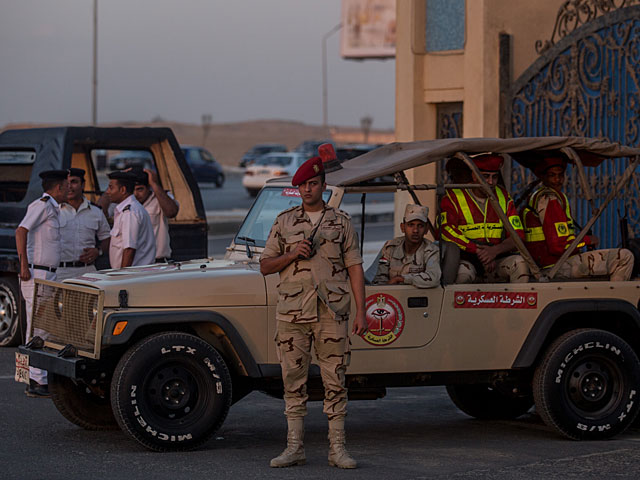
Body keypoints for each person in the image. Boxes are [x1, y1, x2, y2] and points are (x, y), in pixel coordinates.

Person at [260, 155, 367, 469]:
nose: (308, 189)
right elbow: (265, 266)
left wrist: (362, 312)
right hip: (292, 314)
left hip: (331, 314)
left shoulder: (341, 222)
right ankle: (294, 448)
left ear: (322, 186)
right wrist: (293, 254)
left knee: (336, 381)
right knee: (293, 382)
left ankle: (338, 450)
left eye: (313, 183)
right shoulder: (284, 221)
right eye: (303, 185)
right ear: (298, 189)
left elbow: (355, 268)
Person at [522, 155, 633, 280]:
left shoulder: (541, 196)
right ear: (543, 177)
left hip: (550, 263)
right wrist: (586, 240)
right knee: (625, 257)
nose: (557, 180)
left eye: (560, 175)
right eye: (552, 175)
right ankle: (615, 298)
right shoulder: (549, 200)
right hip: (555, 266)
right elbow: (558, 247)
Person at [15, 169, 69, 397]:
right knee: (37, 328)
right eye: (66, 186)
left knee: (40, 327)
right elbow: (21, 231)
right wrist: (23, 265)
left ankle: (30, 377)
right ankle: (36, 380)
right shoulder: (42, 205)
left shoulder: (52, 208)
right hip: (38, 274)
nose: (69, 189)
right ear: (58, 188)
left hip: (48, 274)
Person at [439, 153, 529, 283]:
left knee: (520, 265)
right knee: (463, 274)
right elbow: (446, 231)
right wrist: (478, 251)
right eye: (485, 177)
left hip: (497, 257)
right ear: (474, 176)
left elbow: (518, 235)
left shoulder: (502, 195)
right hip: (467, 258)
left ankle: (518, 302)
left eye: (494, 177)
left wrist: (494, 251)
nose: (490, 182)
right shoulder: (453, 196)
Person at [57, 168, 111, 281]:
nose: (70, 187)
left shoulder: (96, 212)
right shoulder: (54, 211)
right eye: (66, 183)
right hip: (59, 271)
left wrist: (98, 251)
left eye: (74, 182)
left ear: (83, 185)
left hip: (87, 271)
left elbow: (107, 238)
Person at [373, 204, 441, 287]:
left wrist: (401, 279)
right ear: (402, 227)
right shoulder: (390, 248)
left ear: (426, 229)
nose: (415, 230)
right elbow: (380, 279)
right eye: (411, 225)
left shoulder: (431, 250)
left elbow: (433, 279)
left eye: (420, 226)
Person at [106, 171, 156, 269]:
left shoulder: (130, 212)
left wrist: (122, 276)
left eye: (111, 187)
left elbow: (129, 248)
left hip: (133, 275)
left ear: (123, 190)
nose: (108, 191)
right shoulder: (127, 210)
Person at [130, 168, 179, 263]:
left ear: (149, 188)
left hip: (157, 262)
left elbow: (171, 212)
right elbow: (102, 212)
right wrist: (119, 178)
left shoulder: (159, 199)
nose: (135, 194)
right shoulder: (126, 202)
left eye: (140, 189)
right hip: (133, 263)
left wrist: (154, 184)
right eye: (132, 190)